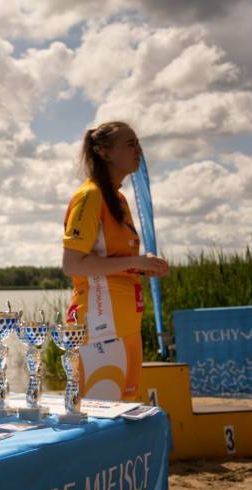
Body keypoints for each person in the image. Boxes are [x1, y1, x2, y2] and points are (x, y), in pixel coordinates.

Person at [61, 121, 169, 400]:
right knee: (99, 417)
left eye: (139, 143)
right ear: (104, 152)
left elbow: (110, 260)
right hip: (100, 327)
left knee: (124, 413)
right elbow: (73, 265)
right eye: (131, 144)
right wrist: (137, 262)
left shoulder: (117, 198)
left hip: (127, 326)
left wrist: (142, 266)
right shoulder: (90, 196)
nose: (139, 150)